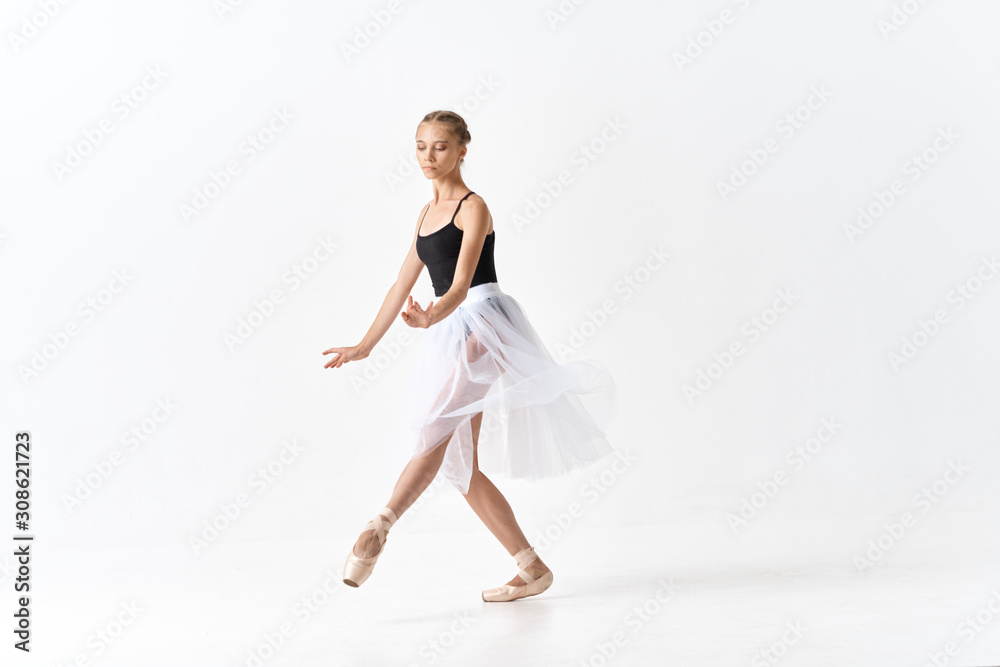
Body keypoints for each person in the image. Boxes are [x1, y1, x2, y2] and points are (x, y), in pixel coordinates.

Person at [322, 110, 617, 602]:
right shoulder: (424, 213)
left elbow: (461, 285)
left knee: (434, 426)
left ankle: (378, 528)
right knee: (461, 467)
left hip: (484, 323)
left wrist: (432, 317)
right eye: (420, 146)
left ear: (462, 150)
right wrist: (364, 346)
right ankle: (532, 567)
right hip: (447, 328)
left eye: (439, 146)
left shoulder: (473, 207)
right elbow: (402, 284)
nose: (428, 157)